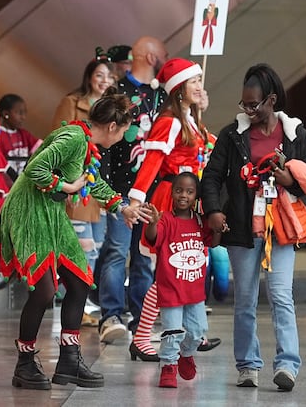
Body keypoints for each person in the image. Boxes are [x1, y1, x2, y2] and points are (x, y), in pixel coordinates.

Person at [0, 87, 144, 390]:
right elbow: (35, 168)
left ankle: (69, 362)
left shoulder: (85, 142)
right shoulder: (74, 137)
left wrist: (121, 206)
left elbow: (93, 183)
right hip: (29, 211)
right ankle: (25, 363)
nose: (123, 139)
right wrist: (69, 188)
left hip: (51, 212)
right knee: (45, 290)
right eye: (124, 132)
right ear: (112, 127)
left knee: (79, 281)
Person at [201, 63, 306, 391]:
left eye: (254, 104)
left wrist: (288, 180)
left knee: (280, 295)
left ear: (272, 100)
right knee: (246, 298)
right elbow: (212, 176)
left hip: (280, 228)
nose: (248, 110)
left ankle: (287, 365)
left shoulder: (295, 134)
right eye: (244, 104)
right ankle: (248, 365)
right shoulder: (231, 135)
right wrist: (212, 210)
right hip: (241, 227)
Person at [125, 57, 217, 361]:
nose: (199, 86)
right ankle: (142, 336)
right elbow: (151, 165)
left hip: (189, 202)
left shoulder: (187, 119)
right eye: (194, 81)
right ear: (178, 88)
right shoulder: (169, 121)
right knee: (168, 274)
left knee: (184, 269)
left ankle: (192, 333)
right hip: (170, 202)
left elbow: (205, 147)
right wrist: (135, 204)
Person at [95, 36, 168, 344]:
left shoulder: (163, 96)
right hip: (122, 187)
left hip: (154, 189)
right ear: (150, 57)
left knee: (144, 255)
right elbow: (107, 143)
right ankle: (110, 315)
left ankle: (142, 317)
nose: (164, 58)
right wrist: (107, 191)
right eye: (161, 54)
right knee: (116, 250)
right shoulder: (119, 91)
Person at [51, 51, 115, 328]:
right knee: (82, 249)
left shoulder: (113, 108)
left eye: (109, 76)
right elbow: (57, 140)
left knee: (97, 248)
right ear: (89, 77)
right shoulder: (71, 102)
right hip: (76, 186)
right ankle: (75, 303)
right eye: (99, 74)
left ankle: (82, 300)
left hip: (99, 186)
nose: (104, 80)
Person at [145, 172, 220, 388]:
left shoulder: (200, 220)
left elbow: (213, 243)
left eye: (189, 191)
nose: (183, 195)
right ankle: (168, 366)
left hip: (194, 292)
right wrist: (152, 223)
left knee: (197, 332)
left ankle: (186, 354)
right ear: (172, 192)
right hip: (170, 290)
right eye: (179, 190)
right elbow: (153, 237)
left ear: (197, 195)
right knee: (172, 331)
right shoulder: (166, 219)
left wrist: (218, 230)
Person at [0, 93, 40, 181]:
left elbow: (42, 148)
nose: (23, 117)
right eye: (19, 113)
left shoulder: (24, 134)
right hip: (6, 183)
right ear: (6, 114)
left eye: (24, 113)